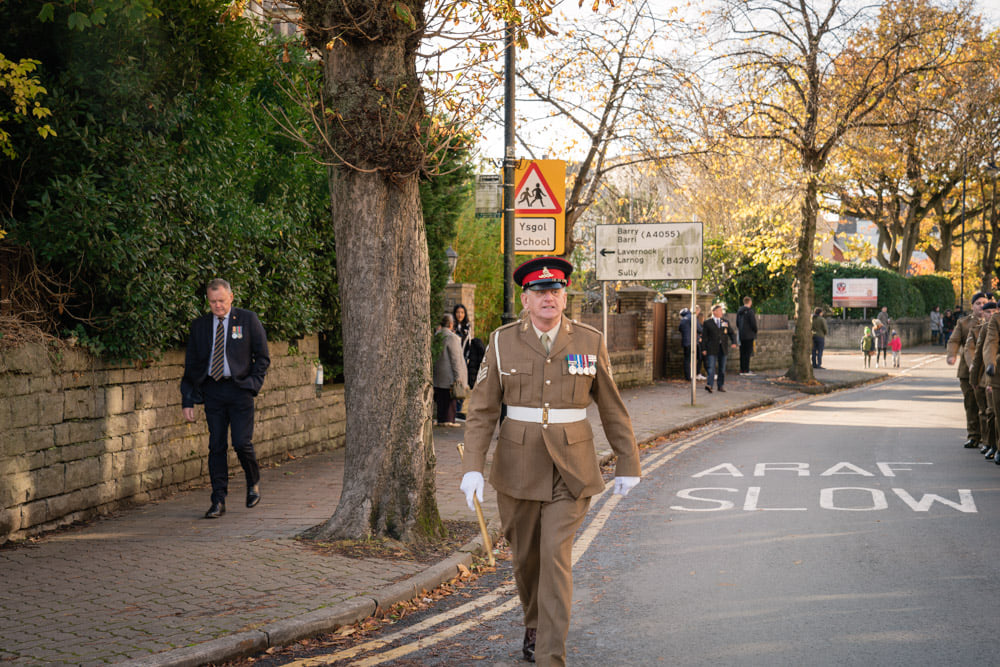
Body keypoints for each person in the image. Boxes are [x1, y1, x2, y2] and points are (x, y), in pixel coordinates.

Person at [460, 256, 641, 666]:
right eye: (540, 293)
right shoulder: (502, 341)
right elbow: (483, 409)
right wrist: (473, 464)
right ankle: (534, 621)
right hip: (517, 467)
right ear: (525, 300)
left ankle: (549, 656)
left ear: (565, 298)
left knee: (555, 558)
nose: (549, 299)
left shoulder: (589, 341)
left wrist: (628, 460)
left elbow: (612, 407)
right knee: (526, 559)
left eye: (556, 292)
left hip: (572, 468)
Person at [180, 279, 270, 519]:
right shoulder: (199, 326)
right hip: (213, 391)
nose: (217, 306)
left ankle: (253, 482)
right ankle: (218, 500)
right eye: (212, 302)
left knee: (241, 443)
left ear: (231, 297)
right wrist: (187, 400)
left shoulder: (248, 320)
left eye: (221, 300)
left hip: (240, 390)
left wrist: (252, 385)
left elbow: (262, 357)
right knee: (216, 446)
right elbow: (190, 366)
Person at [948, 292, 989, 449]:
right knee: (971, 404)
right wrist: (951, 355)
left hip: (986, 370)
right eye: (978, 303)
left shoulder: (993, 322)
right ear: (972, 306)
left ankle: (988, 439)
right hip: (967, 371)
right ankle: (973, 435)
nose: (981, 305)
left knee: (986, 406)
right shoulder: (963, 323)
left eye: (984, 303)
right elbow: (954, 340)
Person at [969, 302, 997, 457]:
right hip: (992, 375)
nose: (992, 314)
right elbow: (979, 354)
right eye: (989, 311)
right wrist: (974, 380)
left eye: (995, 311)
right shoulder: (987, 328)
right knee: (991, 412)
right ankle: (993, 444)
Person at [432, 313, 466, 427]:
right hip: (449, 380)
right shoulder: (452, 338)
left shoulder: (436, 336)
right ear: (451, 324)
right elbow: (455, 360)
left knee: (441, 408)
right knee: (449, 411)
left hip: (438, 379)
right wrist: (459, 378)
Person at [701, 303, 738, 393]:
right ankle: (709, 385)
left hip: (723, 348)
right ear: (714, 312)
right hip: (711, 348)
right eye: (720, 310)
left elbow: (732, 333)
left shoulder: (725, 322)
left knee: (722, 369)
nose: (722, 312)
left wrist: (734, 342)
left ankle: (720, 386)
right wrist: (704, 349)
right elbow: (704, 337)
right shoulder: (707, 323)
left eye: (722, 310)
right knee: (711, 368)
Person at [452, 303, 473, 418]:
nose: (460, 315)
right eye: (458, 312)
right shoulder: (452, 327)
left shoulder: (467, 327)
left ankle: (459, 410)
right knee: (455, 384)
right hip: (455, 358)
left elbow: (469, 342)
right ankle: (453, 411)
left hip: (464, 359)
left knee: (463, 385)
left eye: (462, 312)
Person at [736, 296, 758, 376]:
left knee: (742, 353)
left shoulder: (739, 311)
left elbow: (737, 323)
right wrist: (755, 331)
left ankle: (742, 370)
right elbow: (753, 324)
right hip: (749, 335)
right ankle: (747, 370)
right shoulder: (750, 311)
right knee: (747, 353)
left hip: (742, 335)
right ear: (750, 302)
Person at [678, 307, 694, 381]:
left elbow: (680, 329)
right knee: (692, 359)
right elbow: (698, 328)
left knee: (686, 359)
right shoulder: (691, 317)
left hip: (685, 342)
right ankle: (692, 375)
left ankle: (687, 375)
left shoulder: (682, 320)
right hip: (692, 341)